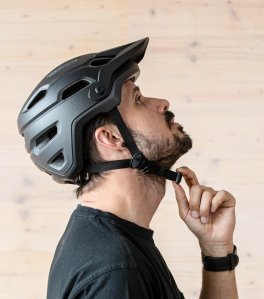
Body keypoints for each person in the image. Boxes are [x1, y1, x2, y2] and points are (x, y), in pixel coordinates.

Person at [17, 38, 239, 299]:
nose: (163, 103)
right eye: (138, 99)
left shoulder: (116, 244)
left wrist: (216, 250)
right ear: (112, 139)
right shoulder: (116, 271)